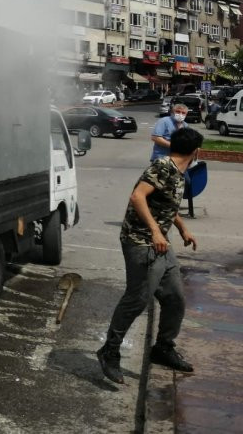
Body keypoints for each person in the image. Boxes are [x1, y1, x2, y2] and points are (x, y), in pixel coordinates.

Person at [97, 126, 204, 385]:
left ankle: (163, 348)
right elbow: (138, 197)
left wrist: (182, 229)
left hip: (160, 245)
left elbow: (167, 204)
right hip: (140, 242)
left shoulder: (179, 173)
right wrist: (156, 231)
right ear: (195, 151)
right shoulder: (162, 167)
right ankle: (109, 351)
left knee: (175, 298)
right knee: (137, 300)